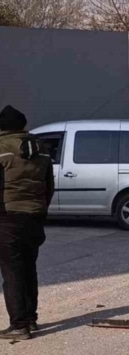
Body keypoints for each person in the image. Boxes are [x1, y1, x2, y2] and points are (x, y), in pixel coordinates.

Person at [0, 105, 54, 340]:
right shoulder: (40, 148)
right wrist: (41, 209)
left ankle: (19, 325)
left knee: (12, 271)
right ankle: (30, 319)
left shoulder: (1, 148)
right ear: (22, 126)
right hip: (35, 216)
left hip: (8, 216)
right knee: (28, 268)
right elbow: (49, 185)